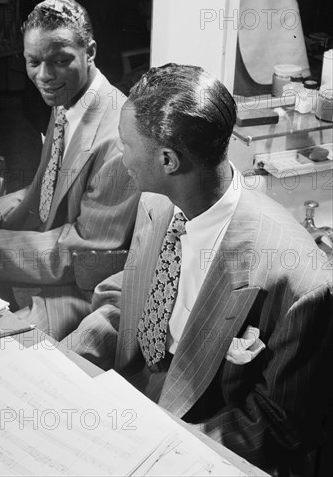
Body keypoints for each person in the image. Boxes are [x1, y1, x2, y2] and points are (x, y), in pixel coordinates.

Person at [63, 64, 332, 476]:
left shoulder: (300, 281)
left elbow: (282, 424)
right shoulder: (157, 201)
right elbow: (129, 294)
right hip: (132, 393)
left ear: (168, 160)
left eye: (125, 145)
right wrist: (68, 358)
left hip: (201, 439)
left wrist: (163, 454)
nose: (120, 155)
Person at [0, 0, 140, 340]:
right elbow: (55, 180)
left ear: (90, 52)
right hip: (52, 259)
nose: (44, 76)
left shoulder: (118, 142)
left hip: (85, 289)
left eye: (60, 61)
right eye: (33, 62)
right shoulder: (70, 97)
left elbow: (85, 249)